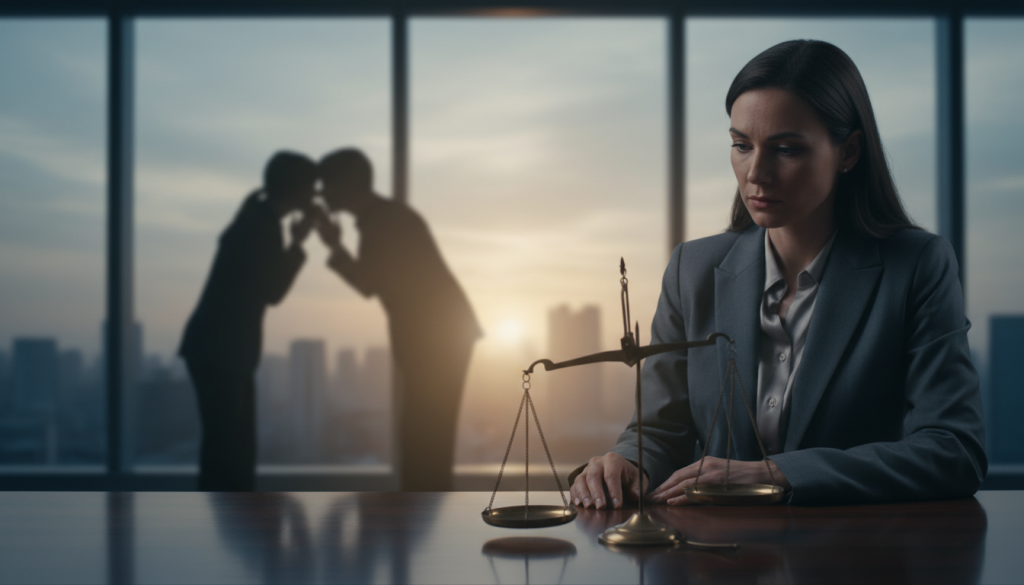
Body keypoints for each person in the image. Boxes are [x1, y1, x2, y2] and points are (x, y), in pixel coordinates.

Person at [569, 40, 986, 507]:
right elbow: (661, 430)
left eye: (786, 149)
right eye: (741, 146)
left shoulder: (916, 266)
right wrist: (629, 460)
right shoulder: (693, 269)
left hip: (855, 555)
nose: (756, 173)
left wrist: (781, 474)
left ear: (848, 151)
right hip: (712, 561)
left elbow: (954, 451)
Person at [314, 148, 482, 491]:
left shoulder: (383, 222)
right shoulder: (383, 218)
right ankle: (423, 517)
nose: (321, 192)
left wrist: (333, 245)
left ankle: (421, 516)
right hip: (440, 338)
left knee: (425, 433)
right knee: (425, 432)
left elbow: (369, 283)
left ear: (345, 186)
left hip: (435, 342)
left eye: (325, 184)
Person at [180, 151, 317, 491]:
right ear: (297, 190)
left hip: (219, 351)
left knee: (229, 446)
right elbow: (274, 292)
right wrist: (298, 243)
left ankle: (227, 529)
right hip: (222, 353)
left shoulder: (257, 220)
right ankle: (227, 527)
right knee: (230, 450)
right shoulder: (261, 228)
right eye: (312, 188)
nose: (316, 196)